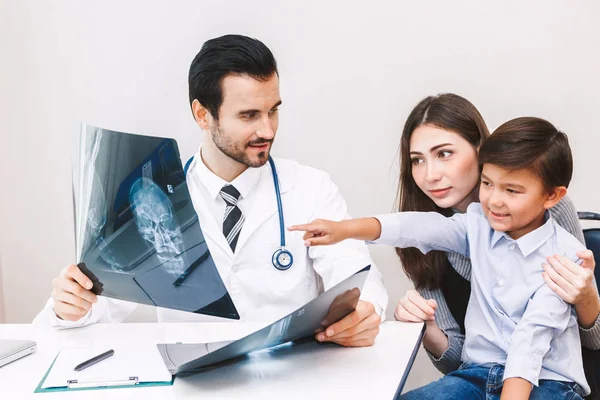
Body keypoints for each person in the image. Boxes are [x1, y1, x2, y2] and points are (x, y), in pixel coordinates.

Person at [33, 34, 388, 347]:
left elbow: (357, 276)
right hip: (194, 383)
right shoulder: (154, 201)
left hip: (292, 377)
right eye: (249, 115)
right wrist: (70, 307)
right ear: (203, 115)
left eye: (273, 111)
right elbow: (99, 306)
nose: (267, 129)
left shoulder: (310, 188)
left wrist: (366, 312)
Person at [290, 117, 590, 398]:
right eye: (487, 184)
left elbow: (531, 340)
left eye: (512, 190)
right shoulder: (477, 225)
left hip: (546, 381)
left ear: (552, 196)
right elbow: (418, 227)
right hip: (476, 375)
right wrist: (345, 229)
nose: (494, 200)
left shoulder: (565, 256)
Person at [381, 94, 600, 375]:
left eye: (444, 153)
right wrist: (428, 329)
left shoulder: (548, 211)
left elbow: (593, 342)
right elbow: (460, 368)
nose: (430, 175)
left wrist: (586, 298)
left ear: (480, 150)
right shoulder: (424, 238)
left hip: (557, 381)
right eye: (417, 160)